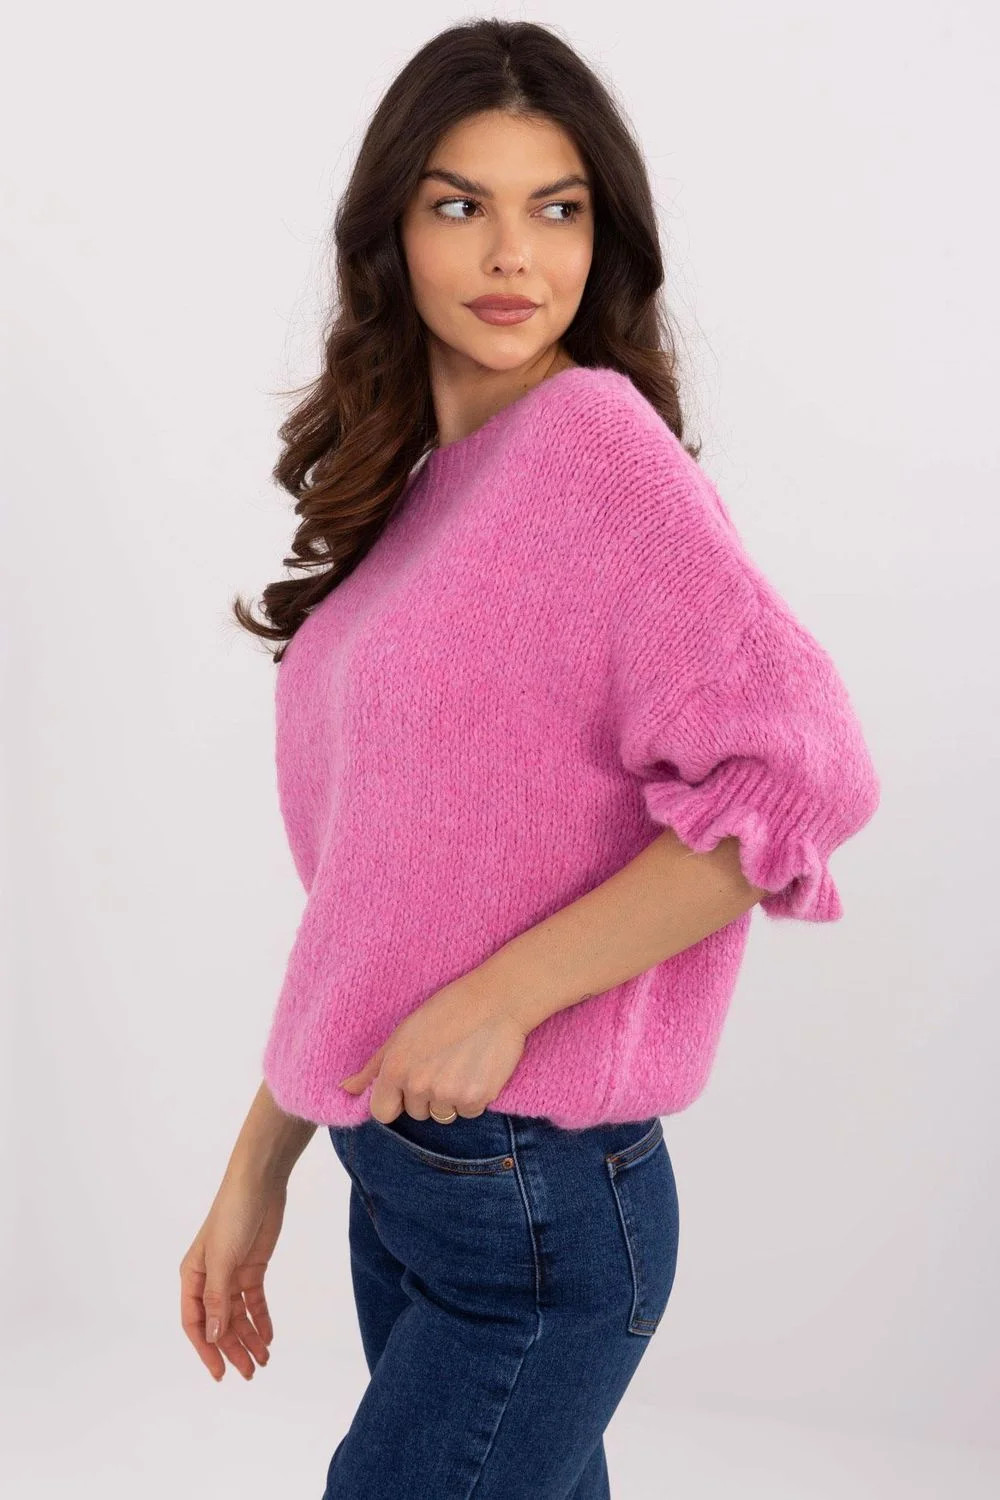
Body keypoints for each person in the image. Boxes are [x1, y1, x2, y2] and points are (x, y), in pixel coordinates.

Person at [178, 19, 881, 1499]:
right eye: (461, 205)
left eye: (556, 208)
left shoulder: (597, 454)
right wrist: (262, 1162)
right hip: (411, 1177)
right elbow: (373, 900)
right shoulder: (427, 495)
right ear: (393, 232)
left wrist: (499, 1002)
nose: (513, 255)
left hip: (534, 1199)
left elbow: (800, 778)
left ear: (601, 235)